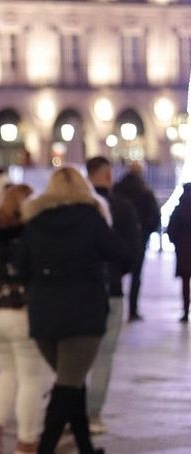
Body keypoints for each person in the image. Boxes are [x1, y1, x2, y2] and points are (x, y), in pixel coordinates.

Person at [19, 167, 131, 454]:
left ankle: (84, 447)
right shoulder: (91, 218)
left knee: (72, 380)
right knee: (68, 384)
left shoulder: (35, 221)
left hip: (44, 313)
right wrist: (98, 275)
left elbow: (21, 266)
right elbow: (124, 254)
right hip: (83, 312)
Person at [0, 184, 53, 454]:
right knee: (31, 378)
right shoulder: (31, 231)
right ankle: (26, 442)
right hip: (21, 310)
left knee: (7, 372)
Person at [85, 156, 140, 434]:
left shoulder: (77, 208)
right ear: (107, 175)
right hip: (111, 289)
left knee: (75, 354)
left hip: (79, 291)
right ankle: (92, 414)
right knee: (104, 354)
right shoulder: (122, 208)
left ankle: (70, 408)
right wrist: (117, 273)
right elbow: (131, 251)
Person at [112, 161, 160, 322]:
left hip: (117, 238)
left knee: (115, 273)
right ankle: (133, 310)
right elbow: (155, 217)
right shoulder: (144, 190)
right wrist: (146, 232)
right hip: (139, 239)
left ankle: (114, 309)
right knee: (136, 276)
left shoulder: (117, 189)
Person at [167, 183, 191, 323]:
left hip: (184, 252)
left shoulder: (179, 210)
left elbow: (171, 231)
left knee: (185, 283)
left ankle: (185, 310)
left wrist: (178, 243)